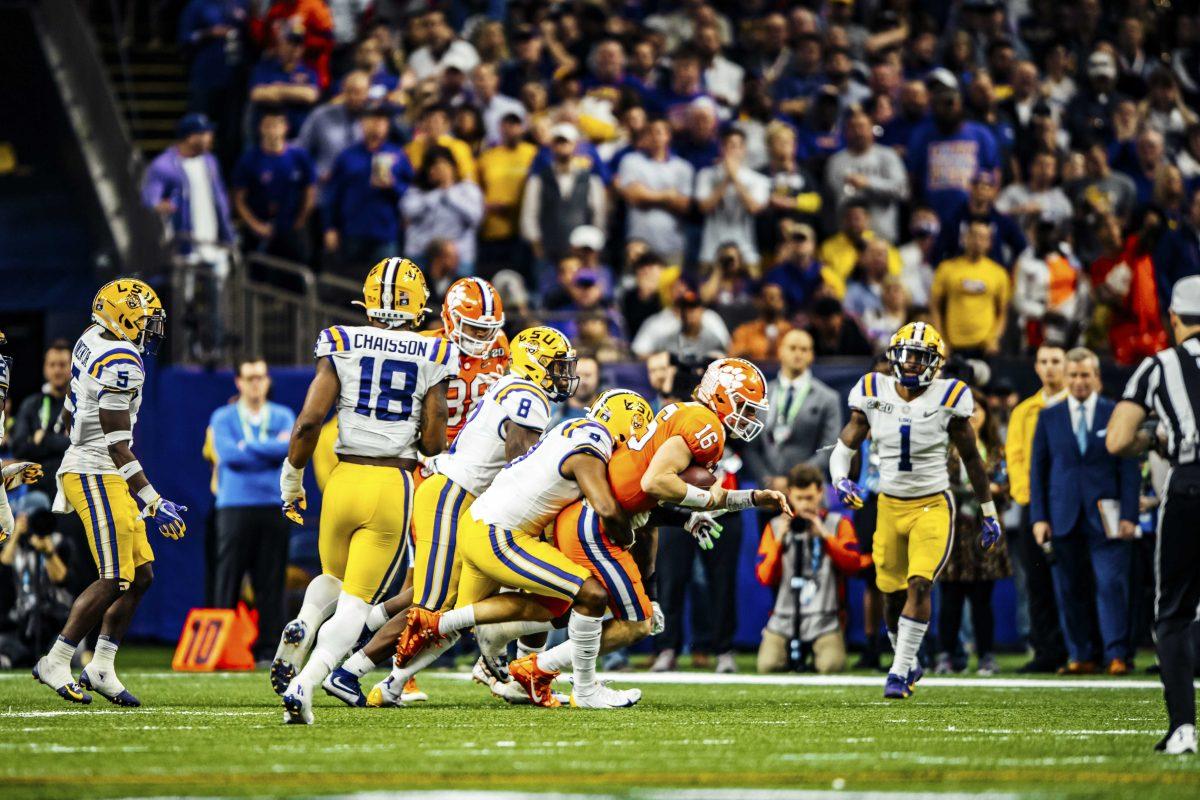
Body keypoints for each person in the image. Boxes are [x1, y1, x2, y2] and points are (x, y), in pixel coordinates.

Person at [272, 258, 455, 725]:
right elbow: (434, 439)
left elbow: (310, 420)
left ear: (368, 301)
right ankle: (307, 683)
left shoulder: (341, 340)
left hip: (343, 477)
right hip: (390, 482)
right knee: (356, 601)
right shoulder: (434, 352)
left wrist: (292, 476)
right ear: (417, 306)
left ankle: (307, 621)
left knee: (330, 575)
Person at [34, 280, 187, 707]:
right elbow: (119, 445)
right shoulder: (122, 360)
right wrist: (154, 500)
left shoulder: (90, 337)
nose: (150, 330)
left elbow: (69, 405)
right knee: (114, 576)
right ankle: (57, 658)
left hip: (98, 465)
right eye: (144, 321)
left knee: (140, 575)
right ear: (123, 318)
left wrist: (78, 433)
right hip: (94, 470)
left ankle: (101, 666)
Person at [830, 322, 1003, 699]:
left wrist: (989, 511)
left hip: (932, 504)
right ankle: (906, 659)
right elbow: (846, 443)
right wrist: (841, 479)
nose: (909, 364)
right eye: (904, 356)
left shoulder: (951, 395)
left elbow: (973, 458)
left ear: (935, 363)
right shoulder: (872, 389)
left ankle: (897, 672)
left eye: (919, 357)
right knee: (889, 593)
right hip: (888, 505)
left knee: (920, 582)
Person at [1107, 275, 1200, 754]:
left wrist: (1157, 439)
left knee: (1174, 613)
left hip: (1189, 485)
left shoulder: (1160, 365)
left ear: (1174, 318)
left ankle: (1183, 726)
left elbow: (1118, 439)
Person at [1031, 348, 1140, 676]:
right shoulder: (1049, 416)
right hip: (1062, 514)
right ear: (1066, 378)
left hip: (1108, 516)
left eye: (1086, 375)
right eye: (1074, 375)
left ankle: (1117, 654)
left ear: (1097, 378)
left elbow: (1129, 469)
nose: (1079, 381)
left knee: (1111, 585)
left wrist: (1129, 515)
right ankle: (1081, 655)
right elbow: (1039, 470)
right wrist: (1039, 517)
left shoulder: (1115, 413)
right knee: (1070, 589)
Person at [207, 357, 295, 665]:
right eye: (249, 377)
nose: (255, 383)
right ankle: (220, 647)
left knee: (270, 581)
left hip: (272, 503)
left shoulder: (283, 415)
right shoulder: (223, 416)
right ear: (239, 382)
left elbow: (286, 451)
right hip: (233, 506)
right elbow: (229, 456)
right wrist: (267, 448)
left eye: (260, 377)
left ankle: (269, 649)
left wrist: (248, 446)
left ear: (268, 381)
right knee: (228, 578)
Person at [755, 463, 867, 674]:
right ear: (789, 495)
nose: (805, 505)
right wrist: (780, 542)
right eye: (799, 498)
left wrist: (825, 537)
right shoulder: (776, 526)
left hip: (824, 618)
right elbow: (764, 577)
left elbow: (853, 567)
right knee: (767, 665)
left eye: (810, 497)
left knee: (831, 666)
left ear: (820, 492)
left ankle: (817, 653)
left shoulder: (837, 523)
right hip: (784, 618)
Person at [936, 388, 1012, 676]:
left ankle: (986, 656)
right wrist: (976, 491)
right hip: (953, 530)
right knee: (950, 599)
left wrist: (992, 493)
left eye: (976, 410)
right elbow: (939, 486)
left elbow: (1006, 489)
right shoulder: (943, 448)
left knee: (982, 599)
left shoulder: (995, 449)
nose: (972, 416)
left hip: (985, 530)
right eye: (966, 412)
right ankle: (946, 655)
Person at [1005, 344, 1070, 673]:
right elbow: (1014, 457)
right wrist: (1027, 499)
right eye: (1043, 361)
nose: (1049, 368)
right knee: (1038, 582)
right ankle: (1046, 650)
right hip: (1036, 506)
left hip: (1071, 503)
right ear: (1035, 367)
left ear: (1066, 365)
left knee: (1076, 579)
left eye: (1056, 361)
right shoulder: (1025, 411)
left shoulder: (1077, 404)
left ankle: (1082, 649)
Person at [743, 330, 842, 487]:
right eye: (793, 348)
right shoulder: (760, 396)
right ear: (780, 351)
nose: (798, 354)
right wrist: (766, 480)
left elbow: (829, 448)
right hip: (768, 492)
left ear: (811, 355)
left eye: (804, 349)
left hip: (808, 492)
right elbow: (749, 447)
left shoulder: (828, 398)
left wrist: (793, 481)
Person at [323, 104, 414, 276]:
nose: (376, 124)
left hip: (386, 233)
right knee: (349, 285)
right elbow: (333, 195)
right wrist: (330, 227)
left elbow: (411, 194)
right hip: (352, 231)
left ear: (387, 125)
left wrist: (393, 186)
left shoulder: (399, 155)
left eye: (381, 120)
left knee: (384, 288)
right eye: (371, 119)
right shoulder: (347, 155)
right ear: (362, 123)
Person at [520, 123, 607, 289]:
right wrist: (536, 242)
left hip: (583, 253)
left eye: (566, 142)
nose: (562, 146)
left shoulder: (590, 178)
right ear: (551, 146)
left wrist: (595, 244)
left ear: (575, 145)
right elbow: (529, 213)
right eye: (558, 142)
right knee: (548, 296)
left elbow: (599, 214)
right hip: (548, 252)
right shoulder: (539, 179)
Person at [231, 108, 316, 261]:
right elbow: (239, 199)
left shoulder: (299, 157)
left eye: (277, 125)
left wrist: (300, 221)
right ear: (261, 128)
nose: (272, 131)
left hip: (292, 229)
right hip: (259, 230)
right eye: (268, 126)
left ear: (285, 128)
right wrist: (255, 225)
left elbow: (309, 192)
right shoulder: (249, 159)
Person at [615, 117, 695, 265]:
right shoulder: (631, 161)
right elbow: (633, 196)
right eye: (649, 133)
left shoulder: (683, 168)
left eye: (658, 132)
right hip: (639, 243)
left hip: (672, 245)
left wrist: (647, 196)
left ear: (668, 136)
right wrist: (668, 195)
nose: (653, 137)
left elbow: (684, 205)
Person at [823, 105, 909, 243]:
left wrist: (868, 183)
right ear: (845, 132)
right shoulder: (835, 162)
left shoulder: (887, 155)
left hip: (883, 238)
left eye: (862, 127)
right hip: (847, 242)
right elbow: (832, 201)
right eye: (853, 127)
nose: (858, 132)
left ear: (872, 129)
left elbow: (903, 191)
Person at [931, 220, 1010, 358]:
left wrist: (994, 339)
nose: (977, 241)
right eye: (973, 235)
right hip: (953, 345)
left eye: (983, 237)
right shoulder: (946, 269)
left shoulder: (999, 273)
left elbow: (1002, 311)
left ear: (989, 243)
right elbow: (935, 306)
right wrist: (940, 339)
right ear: (964, 238)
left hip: (984, 346)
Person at [401, 147, 485, 275]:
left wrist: (449, 195)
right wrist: (438, 193)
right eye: (434, 166)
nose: (440, 170)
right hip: (422, 255)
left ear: (453, 167)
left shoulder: (468, 189)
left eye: (444, 165)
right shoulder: (417, 191)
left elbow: (475, 217)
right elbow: (408, 212)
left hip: (459, 257)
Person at [695, 128, 770, 268]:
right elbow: (704, 207)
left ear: (743, 149)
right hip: (711, 248)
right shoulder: (705, 175)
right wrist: (725, 180)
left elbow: (754, 207)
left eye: (736, 146)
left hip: (746, 247)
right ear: (721, 148)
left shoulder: (759, 179)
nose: (732, 150)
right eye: (728, 145)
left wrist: (734, 177)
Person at [9, 341, 73, 499]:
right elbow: (19, 448)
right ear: (45, 368)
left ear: (72, 368)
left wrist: (42, 439)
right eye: (52, 365)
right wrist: (60, 442)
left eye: (62, 364)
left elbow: (80, 446)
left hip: (71, 491)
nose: (57, 370)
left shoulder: (81, 405)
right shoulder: (31, 405)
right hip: (37, 492)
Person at [630, 283, 730, 360]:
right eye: (686, 309)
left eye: (693, 308)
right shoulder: (670, 339)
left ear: (701, 310)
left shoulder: (712, 336)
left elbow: (728, 352)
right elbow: (641, 353)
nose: (690, 313)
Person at [729, 283, 793, 362]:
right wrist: (749, 352)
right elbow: (733, 358)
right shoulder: (744, 332)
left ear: (783, 302)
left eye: (777, 297)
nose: (771, 302)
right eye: (768, 297)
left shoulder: (791, 332)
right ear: (759, 302)